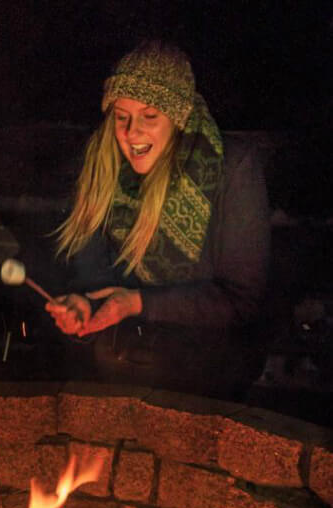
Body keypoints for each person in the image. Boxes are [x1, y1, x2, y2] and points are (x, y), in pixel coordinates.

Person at [44, 41, 271, 398]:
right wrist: (86, 303)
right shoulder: (103, 168)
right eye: (121, 116)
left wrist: (139, 303)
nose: (132, 132)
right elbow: (92, 272)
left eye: (149, 116)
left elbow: (241, 300)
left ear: (178, 118)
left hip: (209, 373)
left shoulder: (231, 169)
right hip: (122, 362)